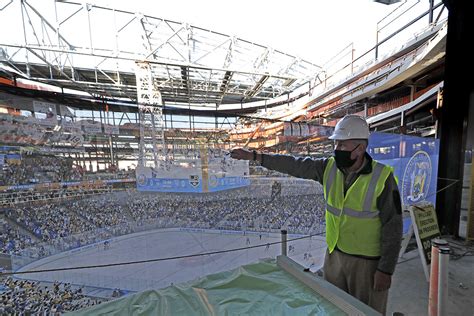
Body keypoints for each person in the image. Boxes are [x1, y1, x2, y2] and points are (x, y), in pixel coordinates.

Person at [230, 115, 402, 315]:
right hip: (334, 256)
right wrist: (255, 157)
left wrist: (385, 269)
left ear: (360, 149)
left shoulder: (382, 177)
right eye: (336, 144)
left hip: (367, 263)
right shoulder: (328, 168)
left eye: (342, 145)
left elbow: (393, 226)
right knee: (333, 306)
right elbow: (294, 165)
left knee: (366, 311)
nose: (336, 149)